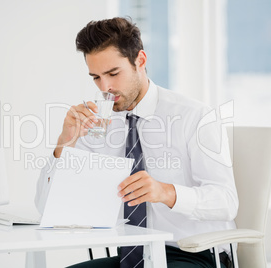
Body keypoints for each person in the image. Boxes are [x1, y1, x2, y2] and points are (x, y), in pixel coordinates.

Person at [35, 17, 238, 268]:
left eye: (113, 73)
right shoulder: (97, 124)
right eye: (96, 77)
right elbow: (47, 208)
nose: (105, 87)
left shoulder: (194, 116)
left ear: (140, 60)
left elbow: (227, 202)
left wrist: (166, 192)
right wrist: (64, 144)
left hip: (193, 254)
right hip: (131, 256)